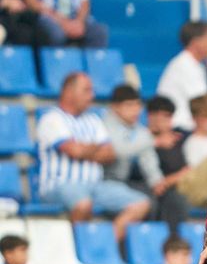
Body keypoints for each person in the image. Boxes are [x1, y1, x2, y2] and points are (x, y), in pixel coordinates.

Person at [37, 73, 152, 250]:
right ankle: (77, 250)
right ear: (68, 91)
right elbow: (73, 151)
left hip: (96, 185)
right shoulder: (52, 118)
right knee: (83, 203)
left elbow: (109, 154)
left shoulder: (94, 120)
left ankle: (104, 248)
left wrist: (82, 148)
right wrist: (91, 149)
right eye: (86, 90)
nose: (92, 95)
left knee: (141, 204)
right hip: (60, 184)